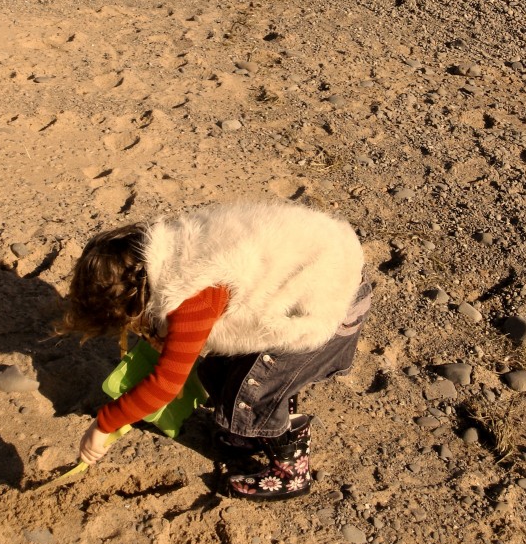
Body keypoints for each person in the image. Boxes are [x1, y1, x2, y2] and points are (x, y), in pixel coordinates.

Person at [59, 201, 371, 502]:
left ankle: (290, 470)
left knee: (251, 390)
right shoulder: (176, 249)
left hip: (328, 307)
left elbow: (166, 384)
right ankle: (253, 432)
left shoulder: (192, 296)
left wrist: (104, 425)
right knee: (217, 368)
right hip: (314, 271)